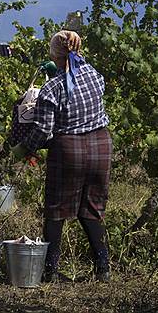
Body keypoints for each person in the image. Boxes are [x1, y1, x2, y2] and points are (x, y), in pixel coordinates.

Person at [14, 30, 112, 283]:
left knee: (56, 210)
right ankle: (103, 267)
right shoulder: (94, 74)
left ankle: (51, 270)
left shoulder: (51, 87)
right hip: (101, 145)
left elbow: (43, 129)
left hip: (69, 150)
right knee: (91, 208)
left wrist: (24, 148)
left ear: (55, 55)